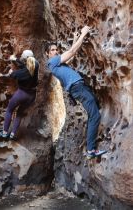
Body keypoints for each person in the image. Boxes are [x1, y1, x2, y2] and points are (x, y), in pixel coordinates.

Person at [45, 26, 107, 159]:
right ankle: (91, 150)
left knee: (95, 104)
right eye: (52, 50)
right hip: (77, 88)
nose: (55, 52)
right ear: (47, 54)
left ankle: (91, 146)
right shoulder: (52, 61)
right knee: (94, 116)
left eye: (56, 49)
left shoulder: (58, 63)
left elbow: (70, 56)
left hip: (79, 87)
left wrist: (75, 38)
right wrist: (83, 34)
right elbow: (72, 52)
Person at [0, 50, 39, 140]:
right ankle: (12, 134)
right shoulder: (36, 64)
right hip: (32, 96)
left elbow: (12, 75)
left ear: (25, 59)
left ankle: (4, 133)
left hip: (21, 94)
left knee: (9, 110)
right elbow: (25, 65)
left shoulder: (21, 73)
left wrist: (10, 72)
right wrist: (15, 59)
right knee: (19, 113)